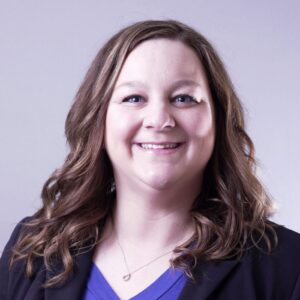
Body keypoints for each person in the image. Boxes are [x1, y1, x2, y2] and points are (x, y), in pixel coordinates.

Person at [0, 19, 300, 300]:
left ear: (218, 119)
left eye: (183, 98)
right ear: (98, 119)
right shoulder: (32, 249)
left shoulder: (288, 266)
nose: (159, 119)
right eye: (134, 98)